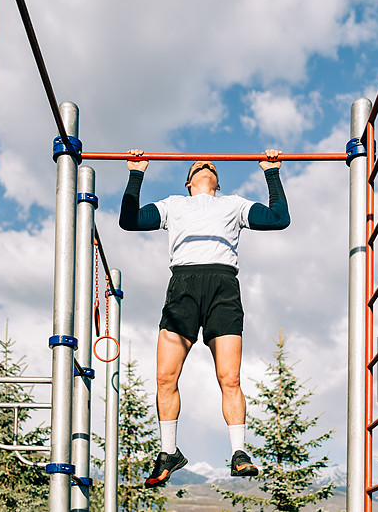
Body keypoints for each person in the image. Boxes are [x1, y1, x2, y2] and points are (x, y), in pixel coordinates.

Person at [118, 149, 290, 488]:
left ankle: (239, 453)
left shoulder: (234, 205)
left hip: (223, 288)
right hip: (183, 287)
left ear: (218, 181)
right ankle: (169, 452)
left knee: (230, 378)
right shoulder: (173, 205)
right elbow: (129, 220)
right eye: (198, 163)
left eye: (210, 163)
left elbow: (278, 218)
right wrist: (137, 173)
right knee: (165, 377)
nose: (205, 162)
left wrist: (271, 172)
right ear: (188, 181)